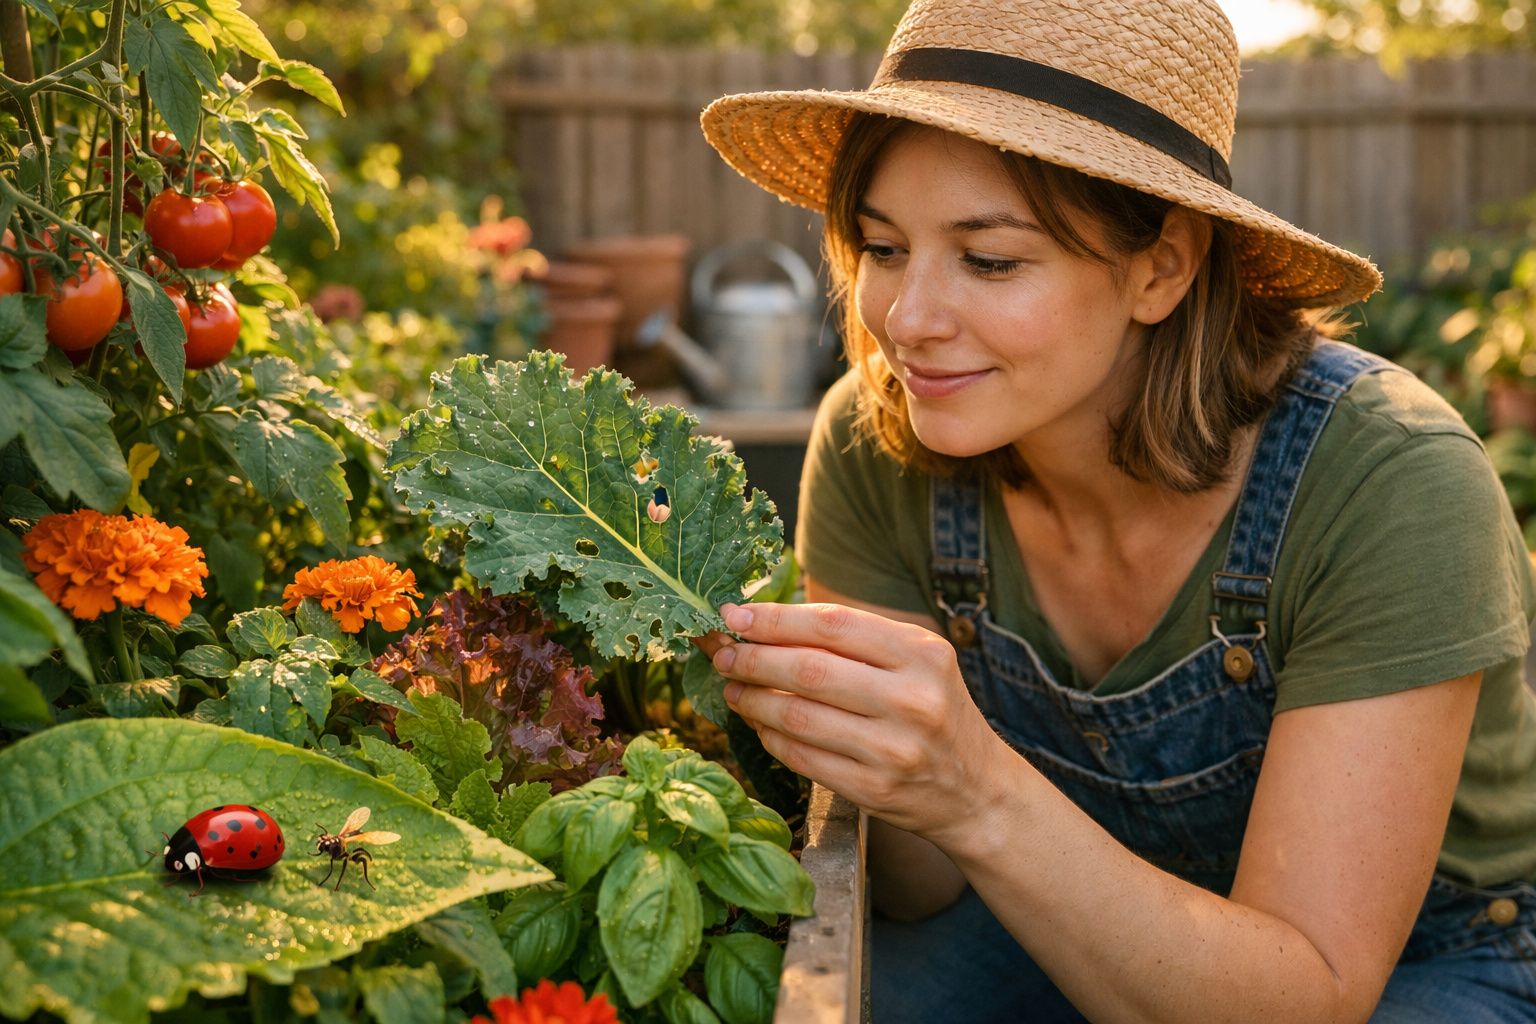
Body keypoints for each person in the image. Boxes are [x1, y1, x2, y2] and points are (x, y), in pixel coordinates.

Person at [694, 0, 1536, 1020]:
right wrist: (858, 747)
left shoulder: (1389, 481)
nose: (907, 321)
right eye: (881, 247)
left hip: (1418, 958)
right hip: (1039, 890)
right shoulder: (876, 443)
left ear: (1161, 267)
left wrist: (970, 783)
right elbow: (924, 887)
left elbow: (1305, 994)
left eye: (991, 259)